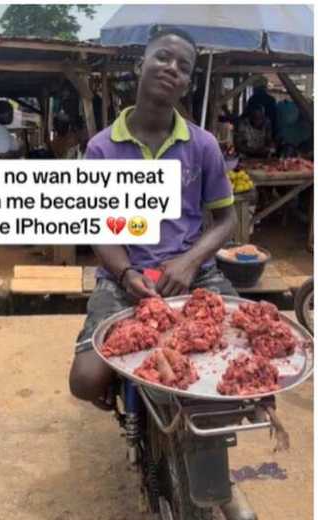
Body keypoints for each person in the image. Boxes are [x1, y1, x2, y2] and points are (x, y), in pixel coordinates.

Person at [69, 27, 238, 410]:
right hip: (124, 275)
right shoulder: (102, 149)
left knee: (244, 348)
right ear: (140, 64)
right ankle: (123, 396)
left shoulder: (203, 145)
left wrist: (190, 262)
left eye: (183, 66)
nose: (171, 68)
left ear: (187, 83)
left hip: (195, 272)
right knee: (85, 381)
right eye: (162, 57)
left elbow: (226, 221)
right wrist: (127, 273)